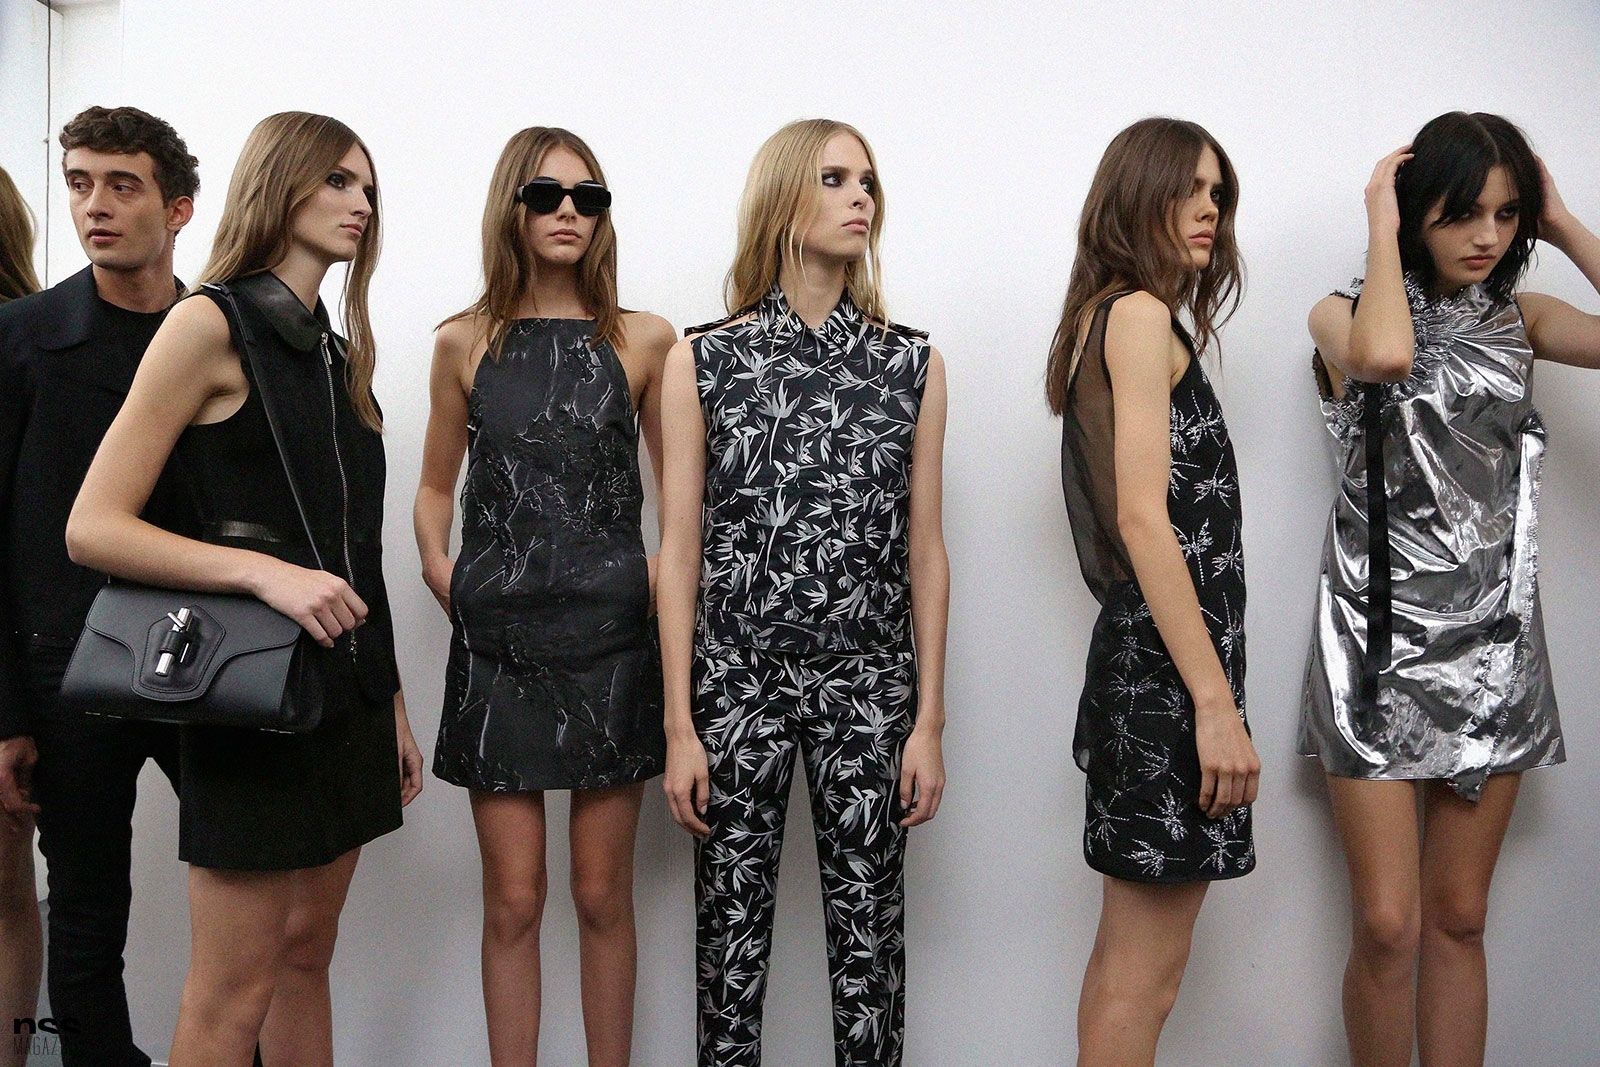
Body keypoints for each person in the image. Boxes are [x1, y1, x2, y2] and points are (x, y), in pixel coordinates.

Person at [65, 111, 423, 1067]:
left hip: (344, 700)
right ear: (282, 181)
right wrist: (264, 572)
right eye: (339, 180)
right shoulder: (206, 324)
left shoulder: (336, 353)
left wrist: (389, 701)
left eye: (367, 186)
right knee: (230, 991)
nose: (361, 202)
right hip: (251, 703)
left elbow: (353, 552)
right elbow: (93, 525)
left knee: (308, 957)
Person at [1303, 111, 1600, 1067]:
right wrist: (1380, 225)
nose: (1488, 235)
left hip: (1495, 646)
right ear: (1414, 211)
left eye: (1508, 214)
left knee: (1461, 916)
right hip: (1375, 644)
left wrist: (1565, 224)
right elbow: (1386, 357)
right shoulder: (1339, 315)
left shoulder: (1522, 321)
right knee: (1389, 922)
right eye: (1463, 212)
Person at [658, 118, 950, 1067]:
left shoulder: (910, 364)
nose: (861, 195)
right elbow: (679, 550)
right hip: (735, 682)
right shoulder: (703, 359)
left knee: (871, 954)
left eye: (868, 180)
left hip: (869, 686)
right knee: (729, 951)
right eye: (834, 178)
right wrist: (679, 725)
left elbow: (926, 551)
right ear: (783, 196)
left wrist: (928, 722)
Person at [415, 126, 674, 1066]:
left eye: (588, 197)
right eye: (546, 194)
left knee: (602, 894)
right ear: (511, 207)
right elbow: (433, 487)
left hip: (611, 643)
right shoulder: (463, 340)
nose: (569, 211)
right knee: (514, 900)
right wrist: (448, 576)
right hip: (498, 648)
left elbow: (685, 499)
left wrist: (648, 584)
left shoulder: (645, 340)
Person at [1044, 116, 1259, 1067]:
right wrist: (1214, 704)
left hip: (1155, 667)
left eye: (1218, 192)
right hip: (1171, 679)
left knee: (1123, 970)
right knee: (1144, 978)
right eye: (1188, 188)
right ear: (1139, 195)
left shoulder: (1112, 315)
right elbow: (1142, 519)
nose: (1209, 209)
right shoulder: (1134, 316)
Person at [0, 107, 196, 1067]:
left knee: (251, 902)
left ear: (179, 206)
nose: (94, 206)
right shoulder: (22, 338)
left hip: (205, 659)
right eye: (79, 183)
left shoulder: (218, 331)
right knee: (84, 920)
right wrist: (7, 713)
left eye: (122, 184)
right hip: (66, 670)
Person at [0, 159, 44, 1067]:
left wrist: (10, 713)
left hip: (10, 670)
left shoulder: (23, 347)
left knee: (8, 896)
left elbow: (26, 546)